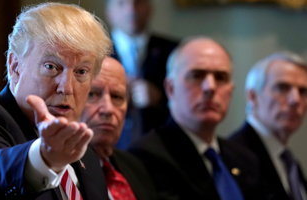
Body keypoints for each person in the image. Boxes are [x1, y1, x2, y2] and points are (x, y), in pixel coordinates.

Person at [0, 2, 112, 199]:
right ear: (15, 67)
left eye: (81, 72)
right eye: (51, 67)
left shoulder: (85, 154)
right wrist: (43, 159)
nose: (67, 87)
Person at [128, 37, 264, 200]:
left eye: (220, 77)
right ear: (170, 89)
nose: (210, 87)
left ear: (231, 90)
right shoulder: (145, 157)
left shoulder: (246, 159)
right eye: (196, 75)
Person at [229, 52, 307, 200]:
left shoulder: (289, 161)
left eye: (303, 91)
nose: (295, 100)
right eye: (282, 88)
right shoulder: (234, 157)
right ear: (252, 96)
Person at [79, 57, 157, 200]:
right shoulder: (58, 170)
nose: (108, 109)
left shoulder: (136, 167)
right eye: (92, 94)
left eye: (117, 96)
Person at [105, 0, 178, 150]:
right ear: (109, 12)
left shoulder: (174, 51)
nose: (131, 9)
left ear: (150, 8)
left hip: (162, 149)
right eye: (121, 3)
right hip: (107, 149)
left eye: (139, 2)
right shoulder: (93, 54)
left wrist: (161, 98)